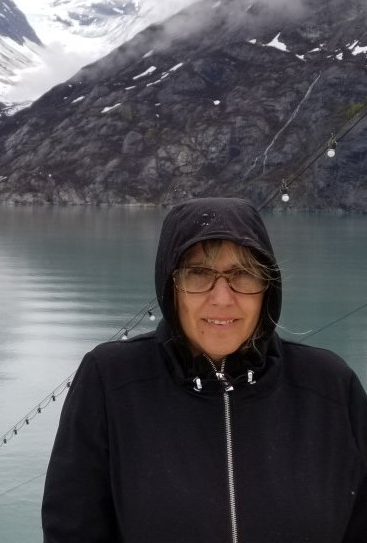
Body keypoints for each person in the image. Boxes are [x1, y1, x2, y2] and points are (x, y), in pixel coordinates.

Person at [41, 197, 367, 542]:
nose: (222, 298)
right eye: (198, 273)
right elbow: (72, 530)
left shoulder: (329, 387)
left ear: (267, 287)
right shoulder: (111, 382)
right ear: (171, 286)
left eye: (243, 274)